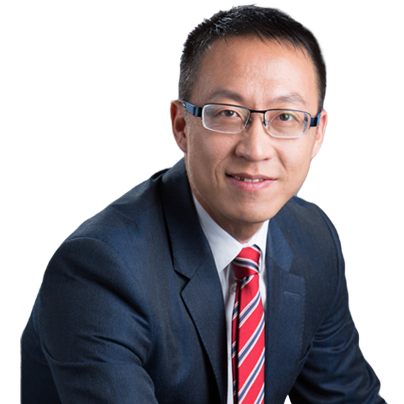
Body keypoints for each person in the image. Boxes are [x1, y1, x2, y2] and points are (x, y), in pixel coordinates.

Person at [20, 5, 385, 404]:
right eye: (228, 113)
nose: (255, 149)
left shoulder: (313, 239)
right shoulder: (100, 269)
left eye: (285, 117)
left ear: (317, 134)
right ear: (181, 125)